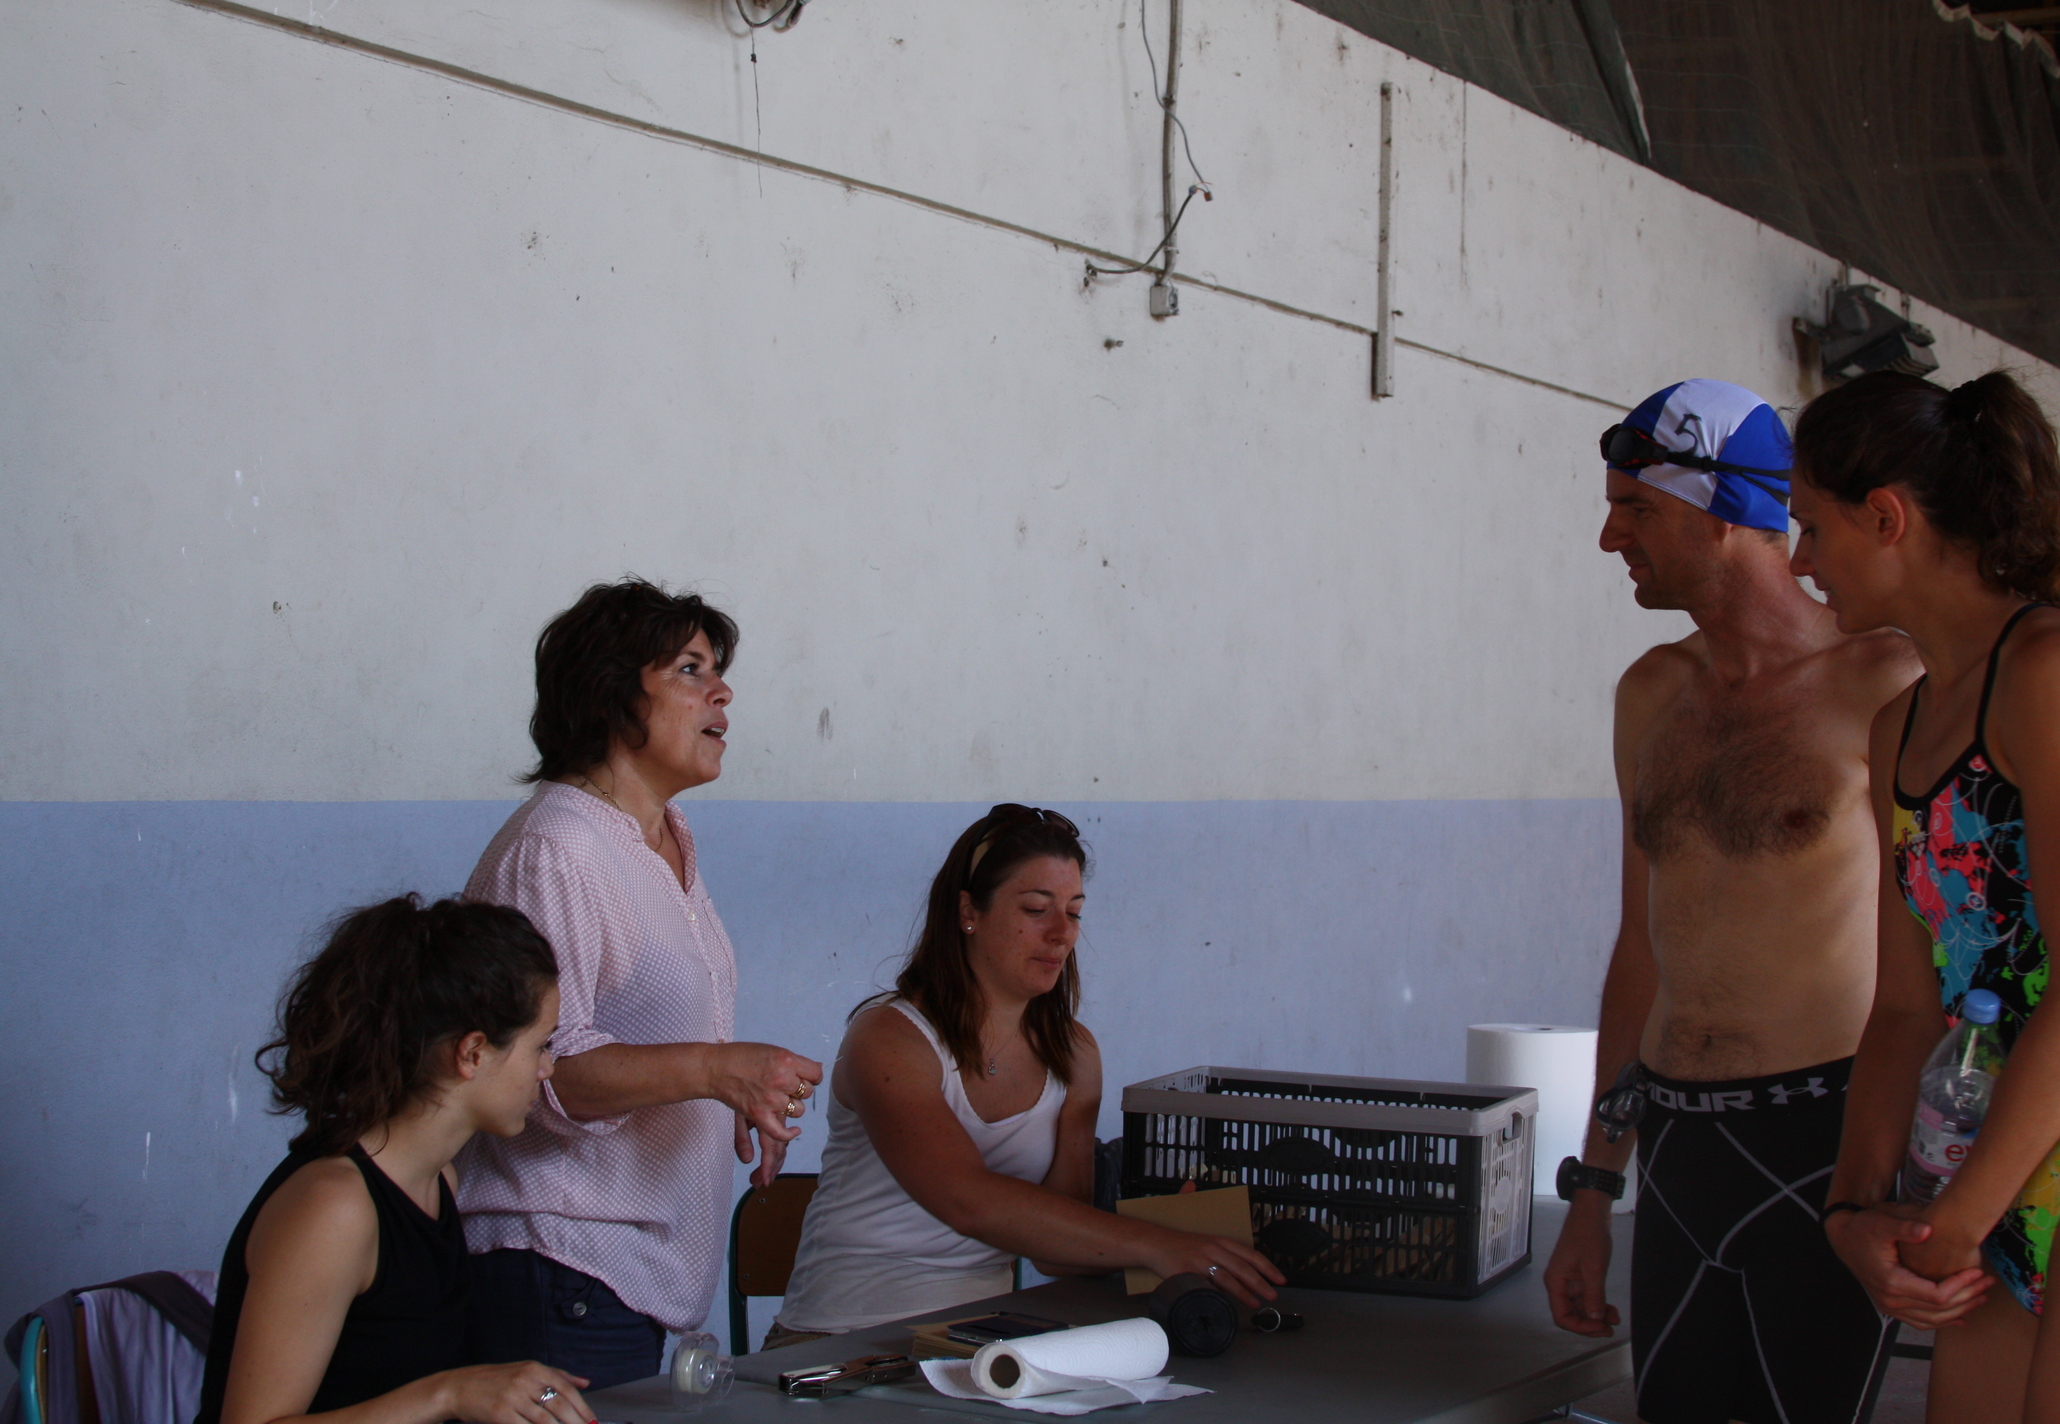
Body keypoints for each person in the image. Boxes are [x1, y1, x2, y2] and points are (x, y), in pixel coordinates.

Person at [1541, 379, 1921, 1423]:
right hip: (1679, 1142)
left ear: (1723, 512)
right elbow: (1642, 948)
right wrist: (1594, 1189)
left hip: (1825, 1139)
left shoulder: (1884, 682)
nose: (1610, 536)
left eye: (1636, 508)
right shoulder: (1652, 692)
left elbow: (1939, 952)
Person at [1795, 370, 2060, 1422]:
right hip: (1989, 1164)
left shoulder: (2057, 675)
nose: (1802, 562)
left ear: (1885, 517)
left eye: (1812, 527)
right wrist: (1853, 1209)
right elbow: (1905, 1007)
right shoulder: (1898, 728)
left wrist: (1952, 1224)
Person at [455, 578, 823, 1390]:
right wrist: (717, 1070)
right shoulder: (559, 848)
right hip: (560, 1263)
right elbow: (541, 1070)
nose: (722, 692)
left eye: (718, 670)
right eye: (690, 670)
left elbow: (651, 1030)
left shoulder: (663, 837)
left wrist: (731, 1090)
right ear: (612, 693)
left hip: (624, 1278)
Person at [766, 804, 1285, 1343]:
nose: (1062, 933)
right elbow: (965, 1198)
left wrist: (1177, 1229)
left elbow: (1059, 1253)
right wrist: (1154, 1243)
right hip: (839, 1342)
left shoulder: (1074, 1053)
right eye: (1037, 909)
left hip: (978, 1344)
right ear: (968, 911)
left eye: (1075, 912)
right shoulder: (890, 1036)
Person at [196, 895, 594, 1424]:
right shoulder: (335, 1208)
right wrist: (449, 1395)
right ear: (472, 1053)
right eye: (540, 1045)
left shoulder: (438, 1181)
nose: (547, 1069)